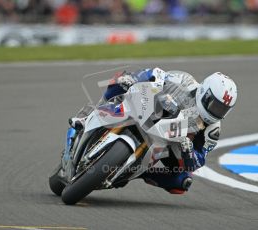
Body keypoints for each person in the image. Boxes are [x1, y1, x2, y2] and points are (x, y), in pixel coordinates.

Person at [69, 68, 238, 194]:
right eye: (214, 105)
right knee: (120, 79)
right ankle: (90, 115)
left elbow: (199, 159)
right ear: (204, 93)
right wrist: (133, 79)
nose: (216, 112)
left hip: (169, 144)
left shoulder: (212, 130)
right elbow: (155, 74)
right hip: (150, 110)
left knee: (182, 183)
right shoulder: (184, 80)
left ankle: (138, 173)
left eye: (222, 109)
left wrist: (189, 151)